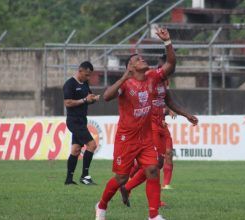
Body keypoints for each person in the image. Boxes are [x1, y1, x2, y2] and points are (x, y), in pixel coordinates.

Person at [95, 28, 175, 220]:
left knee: (153, 169)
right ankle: (101, 205)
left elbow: (171, 64)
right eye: (138, 59)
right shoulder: (125, 84)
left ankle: (154, 216)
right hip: (126, 139)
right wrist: (124, 76)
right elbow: (106, 97)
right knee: (122, 178)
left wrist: (167, 42)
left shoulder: (152, 78)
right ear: (130, 66)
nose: (143, 60)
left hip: (146, 138)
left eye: (142, 58)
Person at [120, 54, 198, 206]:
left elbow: (169, 102)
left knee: (160, 162)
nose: (168, 73)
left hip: (162, 124)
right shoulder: (150, 79)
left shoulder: (163, 83)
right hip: (150, 125)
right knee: (155, 164)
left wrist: (186, 115)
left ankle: (128, 187)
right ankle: (132, 190)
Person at [63, 61, 100, 185]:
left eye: (90, 75)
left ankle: (69, 180)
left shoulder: (84, 83)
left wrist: (93, 99)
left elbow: (87, 98)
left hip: (82, 120)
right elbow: (67, 102)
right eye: (87, 74)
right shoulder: (69, 84)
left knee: (76, 149)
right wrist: (84, 100)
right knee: (92, 145)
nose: (88, 77)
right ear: (80, 71)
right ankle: (85, 177)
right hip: (74, 121)